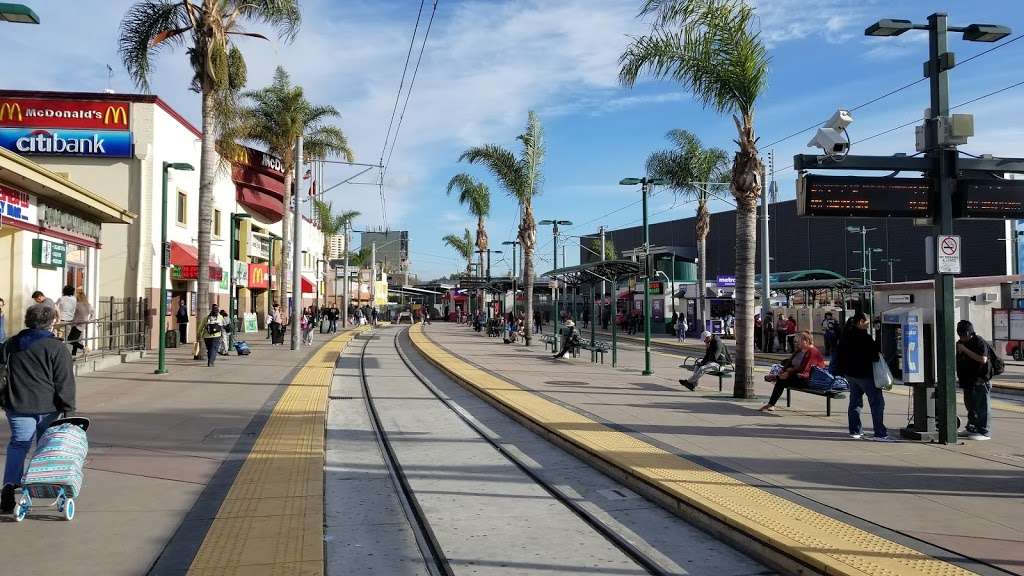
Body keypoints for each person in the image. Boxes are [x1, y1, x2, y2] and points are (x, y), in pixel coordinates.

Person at [0, 303, 75, 513]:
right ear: (50, 322)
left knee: (19, 445)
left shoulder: (11, 344)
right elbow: (64, 381)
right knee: (46, 447)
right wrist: (69, 409)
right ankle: (42, 486)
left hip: (17, 404)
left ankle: (9, 487)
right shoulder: (56, 347)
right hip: (48, 407)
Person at [832, 312, 891, 441]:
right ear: (861, 322)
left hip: (850, 375)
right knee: (877, 403)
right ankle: (880, 433)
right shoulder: (865, 337)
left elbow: (839, 354)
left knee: (855, 402)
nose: (868, 325)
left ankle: (855, 431)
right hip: (865, 375)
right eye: (867, 323)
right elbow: (875, 355)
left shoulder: (845, 336)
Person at [760, 331, 826, 412]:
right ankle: (771, 402)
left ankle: (771, 401)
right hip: (797, 375)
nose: (797, 342)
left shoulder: (812, 351)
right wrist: (783, 371)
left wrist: (789, 372)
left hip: (808, 379)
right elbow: (789, 363)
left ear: (807, 341)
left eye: (800, 340)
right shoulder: (800, 350)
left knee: (781, 380)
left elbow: (805, 369)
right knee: (782, 380)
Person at [956, 320, 992, 440]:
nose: (962, 338)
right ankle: (971, 427)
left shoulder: (979, 342)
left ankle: (984, 431)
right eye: (960, 335)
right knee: (970, 406)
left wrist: (965, 350)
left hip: (980, 380)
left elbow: (983, 359)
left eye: (964, 336)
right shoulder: (960, 343)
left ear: (970, 333)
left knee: (982, 406)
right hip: (968, 380)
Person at [68, 289, 92, 356]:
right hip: (82, 325)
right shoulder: (88, 305)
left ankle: (84, 348)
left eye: (76, 296)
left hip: (76, 324)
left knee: (70, 340)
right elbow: (93, 313)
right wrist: (89, 320)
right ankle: (73, 354)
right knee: (75, 340)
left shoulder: (78, 305)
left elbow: (72, 313)